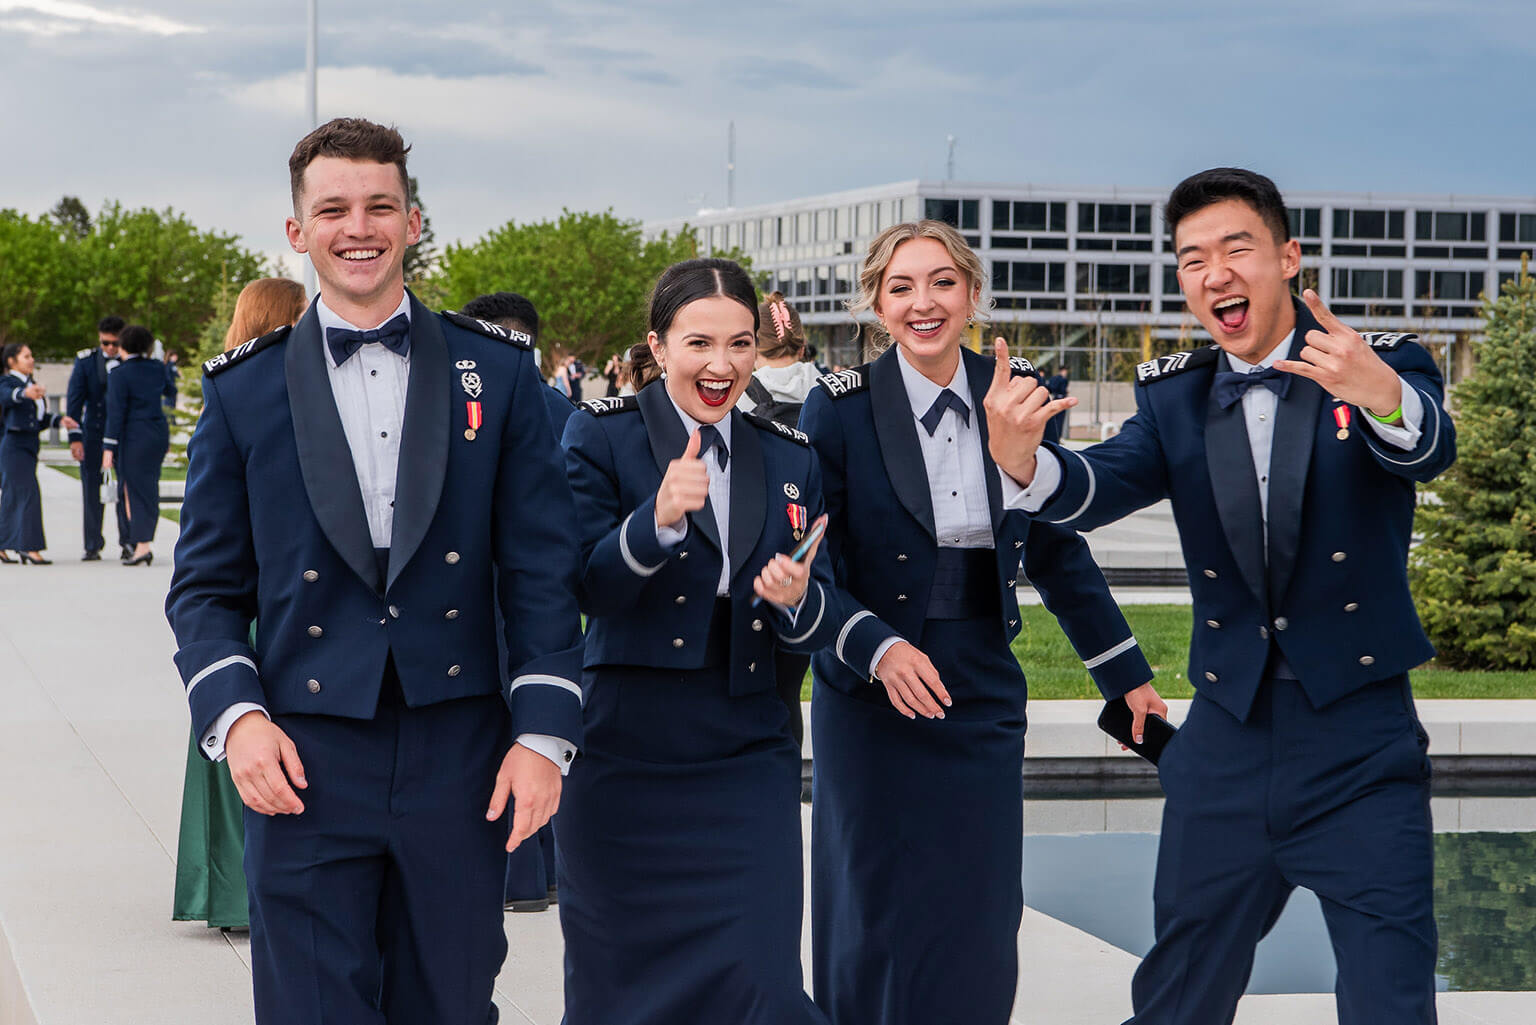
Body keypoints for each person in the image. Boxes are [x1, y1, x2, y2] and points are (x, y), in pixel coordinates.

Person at [986, 168, 1456, 1025]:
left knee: (1391, 999)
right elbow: (1099, 484)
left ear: (1289, 257)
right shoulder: (1177, 394)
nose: (1215, 274)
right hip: (1226, 737)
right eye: (1192, 259)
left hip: (1362, 743)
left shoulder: (1374, 362)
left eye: (1236, 249)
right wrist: (1025, 461)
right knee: (1180, 998)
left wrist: (1383, 396)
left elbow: (1428, 448)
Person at [165, 117, 585, 1025]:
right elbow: (204, 587)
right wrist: (238, 721)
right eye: (333, 209)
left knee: (452, 1001)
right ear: (297, 229)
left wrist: (544, 733)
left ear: (414, 221)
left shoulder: (497, 372)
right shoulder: (242, 389)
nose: (358, 227)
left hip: (462, 750)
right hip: (304, 751)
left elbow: (542, 569)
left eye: (380, 206)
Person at [800, 219, 1159, 1025]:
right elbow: (815, 566)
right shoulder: (838, 407)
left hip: (981, 676)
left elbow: (1056, 548)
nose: (922, 302)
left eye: (941, 282)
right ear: (877, 305)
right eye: (900, 287)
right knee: (871, 902)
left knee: (982, 903)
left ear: (971, 294)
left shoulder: (1018, 394)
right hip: (870, 683)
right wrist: (878, 650)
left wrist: (1124, 673)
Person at [557, 257, 838, 1025]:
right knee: (618, 992)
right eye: (700, 343)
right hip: (625, 750)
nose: (722, 365)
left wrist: (798, 599)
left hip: (747, 749)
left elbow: (822, 604)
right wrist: (652, 524)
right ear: (659, 344)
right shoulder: (601, 434)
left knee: (763, 985)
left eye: (741, 343)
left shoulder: (789, 454)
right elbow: (581, 586)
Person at [173, 276, 308, 932]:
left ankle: (230, 894)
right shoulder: (240, 394)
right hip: (255, 611)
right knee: (246, 748)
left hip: (276, 607)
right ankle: (237, 894)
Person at [458, 288, 570, 914]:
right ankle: (544, 870)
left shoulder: (483, 403)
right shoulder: (563, 408)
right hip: (544, 590)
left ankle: (518, 873)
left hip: (492, 588)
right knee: (541, 724)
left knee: (505, 725)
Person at [736, 290, 822, 745]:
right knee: (788, 687)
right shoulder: (826, 388)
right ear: (802, 344)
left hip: (752, 549)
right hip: (810, 553)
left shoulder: (739, 393)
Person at [0, 343, 79, 563]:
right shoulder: (8, 382)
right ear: (12, 361)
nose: (31, 359)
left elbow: (38, 419)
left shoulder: (31, 384)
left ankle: (3, 544)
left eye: (31, 355)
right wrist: (24, 393)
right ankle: (29, 547)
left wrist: (60, 420)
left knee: (13, 496)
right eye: (26, 356)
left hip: (29, 446)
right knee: (29, 495)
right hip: (14, 447)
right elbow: (7, 396)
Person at [102, 324, 170, 566]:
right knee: (148, 486)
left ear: (123, 346)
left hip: (133, 436)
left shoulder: (119, 373)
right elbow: (170, 390)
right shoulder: (158, 368)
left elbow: (116, 413)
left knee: (135, 490)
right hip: (157, 433)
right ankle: (141, 541)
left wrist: (108, 447)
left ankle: (142, 546)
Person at [66, 315, 130, 560]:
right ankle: (92, 545)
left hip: (123, 435)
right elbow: (74, 401)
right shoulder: (86, 361)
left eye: (115, 343)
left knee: (125, 488)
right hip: (93, 433)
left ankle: (128, 543)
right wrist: (75, 438)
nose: (110, 348)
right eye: (105, 343)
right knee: (91, 489)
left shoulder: (130, 361)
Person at [1045, 363, 1070, 440]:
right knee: (1060, 420)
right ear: (1063, 371)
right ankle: (1058, 437)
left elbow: (1049, 387)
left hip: (1055, 398)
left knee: (1053, 419)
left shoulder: (1053, 378)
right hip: (1061, 398)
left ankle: (1052, 436)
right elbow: (1063, 390)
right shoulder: (1063, 379)